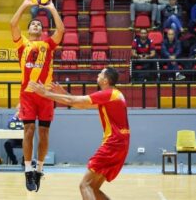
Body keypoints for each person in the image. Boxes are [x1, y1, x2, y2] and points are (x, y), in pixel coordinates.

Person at [28, 67, 130, 200]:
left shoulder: (108, 94)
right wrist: (64, 93)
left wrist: (46, 94)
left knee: (85, 186)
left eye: (100, 73)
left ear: (105, 80)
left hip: (113, 144)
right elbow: (81, 104)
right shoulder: (115, 95)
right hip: (121, 144)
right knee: (92, 188)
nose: (97, 75)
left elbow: (74, 102)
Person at [10, 0, 64, 192]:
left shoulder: (48, 44)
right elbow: (12, 23)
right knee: (29, 131)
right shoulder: (21, 44)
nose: (35, 25)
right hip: (27, 94)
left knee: (44, 132)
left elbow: (61, 31)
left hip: (46, 94)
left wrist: (51, 8)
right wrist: (25, 4)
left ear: (41, 31)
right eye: (33, 23)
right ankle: (27, 170)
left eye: (38, 24)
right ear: (29, 29)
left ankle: (39, 169)